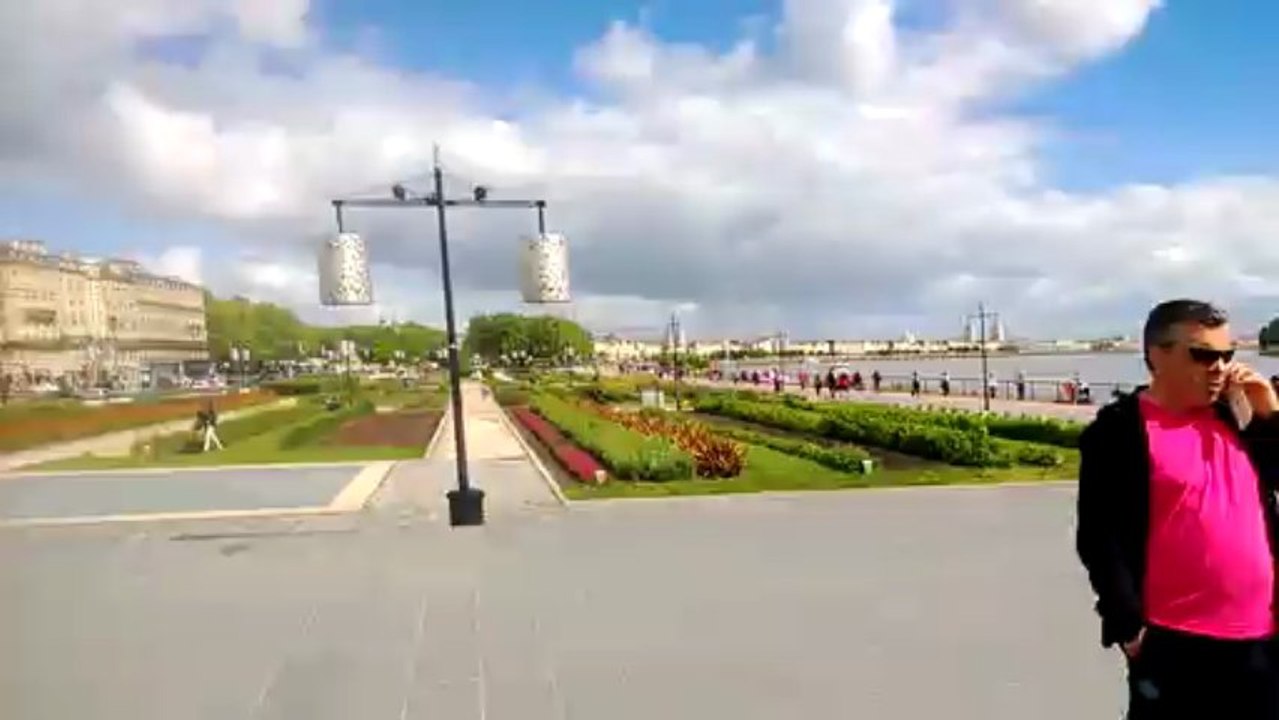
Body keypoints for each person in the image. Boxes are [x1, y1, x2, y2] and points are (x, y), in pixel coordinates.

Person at [1076, 299, 1279, 719]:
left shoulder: (1235, 417)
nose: (1218, 367)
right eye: (1203, 355)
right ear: (1157, 355)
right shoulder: (1118, 431)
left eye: (1227, 356)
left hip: (1263, 640)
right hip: (1174, 644)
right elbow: (1099, 537)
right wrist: (1128, 627)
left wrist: (1269, 412)